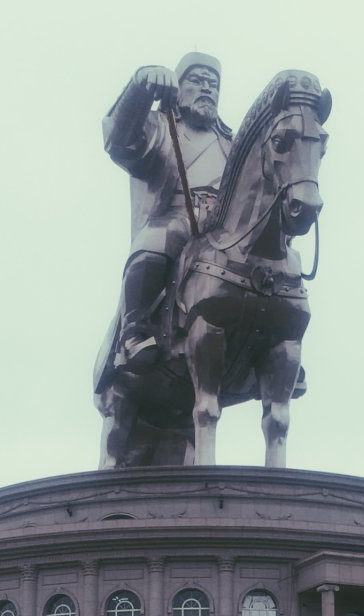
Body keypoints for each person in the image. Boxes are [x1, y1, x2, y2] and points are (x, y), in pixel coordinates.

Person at [102, 52, 234, 374]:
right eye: (197, 81)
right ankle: (134, 331)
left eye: (213, 84)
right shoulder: (160, 127)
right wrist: (140, 87)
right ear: (179, 86)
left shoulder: (230, 143)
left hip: (224, 230)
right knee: (159, 238)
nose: (207, 89)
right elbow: (119, 140)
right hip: (177, 218)